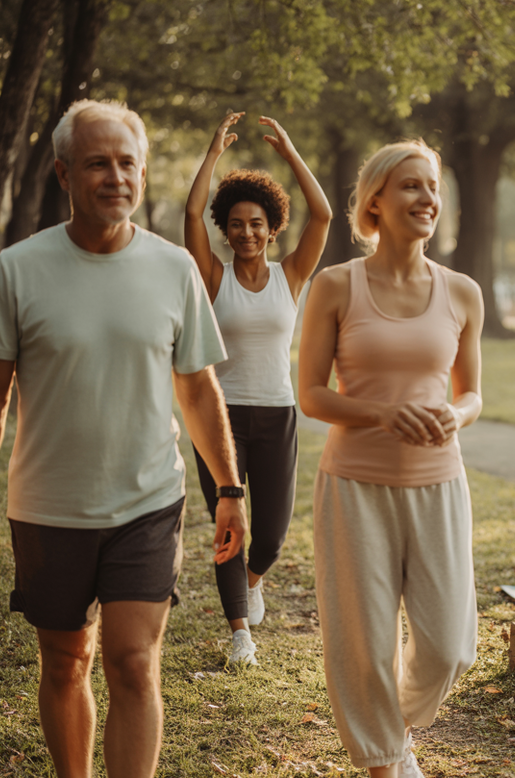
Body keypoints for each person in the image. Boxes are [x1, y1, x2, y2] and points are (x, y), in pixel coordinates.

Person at [0, 99, 246, 778]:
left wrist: (230, 488)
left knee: (133, 662)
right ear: (64, 173)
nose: (115, 177)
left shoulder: (174, 268)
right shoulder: (18, 270)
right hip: (47, 505)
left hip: (147, 500)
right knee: (65, 661)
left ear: (143, 173)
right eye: (97, 163)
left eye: (127, 163)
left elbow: (199, 390)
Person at [298, 139, 483, 778]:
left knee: (449, 646)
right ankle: (385, 776)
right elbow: (310, 394)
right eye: (410, 185)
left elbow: (472, 393)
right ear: (374, 201)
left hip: (439, 484)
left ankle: (394, 731)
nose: (427, 198)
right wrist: (379, 414)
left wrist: (454, 416)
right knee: (364, 641)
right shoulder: (335, 285)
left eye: (432, 186)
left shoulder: (461, 292)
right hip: (355, 486)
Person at [184, 111, 331, 666]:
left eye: (257, 223)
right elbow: (191, 213)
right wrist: (212, 154)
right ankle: (240, 633)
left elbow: (323, 214)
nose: (246, 232)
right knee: (230, 526)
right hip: (219, 419)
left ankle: (252, 580)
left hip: (277, 415)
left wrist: (290, 153)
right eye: (236, 224)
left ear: (272, 228)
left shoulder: (291, 276)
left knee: (269, 537)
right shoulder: (212, 275)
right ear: (225, 230)